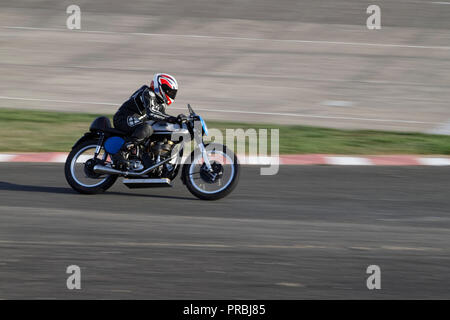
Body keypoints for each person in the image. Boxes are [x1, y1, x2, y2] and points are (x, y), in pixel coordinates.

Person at [112, 73, 186, 168]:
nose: (170, 94)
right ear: (160, 87)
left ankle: (150, 163)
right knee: (147, 128)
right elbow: (151, 113)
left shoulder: (160, 103)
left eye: (172, 93)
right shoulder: (147, 92)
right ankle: (121, 152)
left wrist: (178, 122)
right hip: (123, 118)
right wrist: (172, 118)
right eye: (169, 91)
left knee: (157, 132)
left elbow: (160, 118)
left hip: (136, 122)